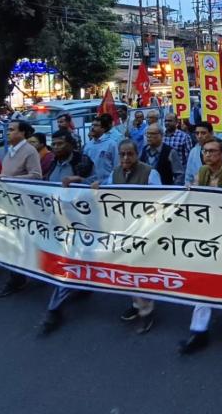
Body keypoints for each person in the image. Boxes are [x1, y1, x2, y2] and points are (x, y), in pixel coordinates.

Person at [179, 137, 222, 355]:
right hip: (206, 236)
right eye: (205, 151)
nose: (207, 155)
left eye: (212, 151)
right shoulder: (202, 173)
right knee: (204, 281)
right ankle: (199, 331)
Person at [91, 139, 159, 334]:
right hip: (123, 229)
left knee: (141, 270)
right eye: (122, 154)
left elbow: (160, 199)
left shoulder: (150, 173)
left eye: (130, 154)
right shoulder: (115, 173)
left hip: (144, 230)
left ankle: (147, 311)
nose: (126, 158)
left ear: (137, 154)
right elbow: (107, 192)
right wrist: (97, 187)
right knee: (128, 268)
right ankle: (137, 305)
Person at [36, 129, 95, 336]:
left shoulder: (83, 162)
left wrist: (80, 181)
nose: (56, 148)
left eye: (60, 144)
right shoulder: (53, 163)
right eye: (54, 144)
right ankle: (83, 285)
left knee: (68, 263)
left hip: (79, 222)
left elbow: (98, 184)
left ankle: (54, 310)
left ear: (71, 144)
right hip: (58, 221)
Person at [0, 120, 43, 299]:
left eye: (12, 130)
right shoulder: (10, 151)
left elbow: (36, 176)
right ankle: (20, 275)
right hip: (10, 202)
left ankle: (18, 278)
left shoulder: (29, 151)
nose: (8, 132)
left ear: (22, 133)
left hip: (23, 205)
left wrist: (10, 180)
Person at [84, 114, 120, 183]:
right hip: (89, 184)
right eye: (92, 125)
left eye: (96, 125)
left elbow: (117, 166)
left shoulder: (111, 144)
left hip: (106, 185)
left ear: (103, 129)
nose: (92, 128)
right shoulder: (87, 146)